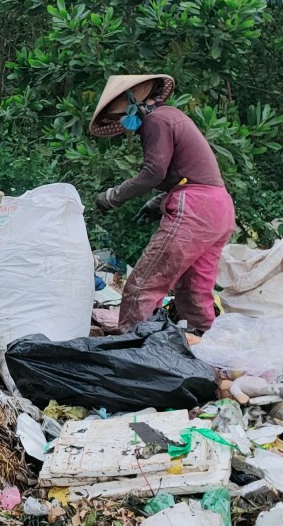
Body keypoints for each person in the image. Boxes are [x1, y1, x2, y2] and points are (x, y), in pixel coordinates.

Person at [90, 74, 234, 334]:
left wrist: (111, 197)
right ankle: (206, 353)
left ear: (133, 102)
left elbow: (154, 172)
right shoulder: (171, 116)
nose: (122, 123)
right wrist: (158, 201)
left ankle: (133, 355)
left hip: (195, 209)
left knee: (142, 287)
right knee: (195, 293)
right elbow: (188, 174)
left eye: (119, 116)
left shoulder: (156, 120)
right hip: (220, 207)